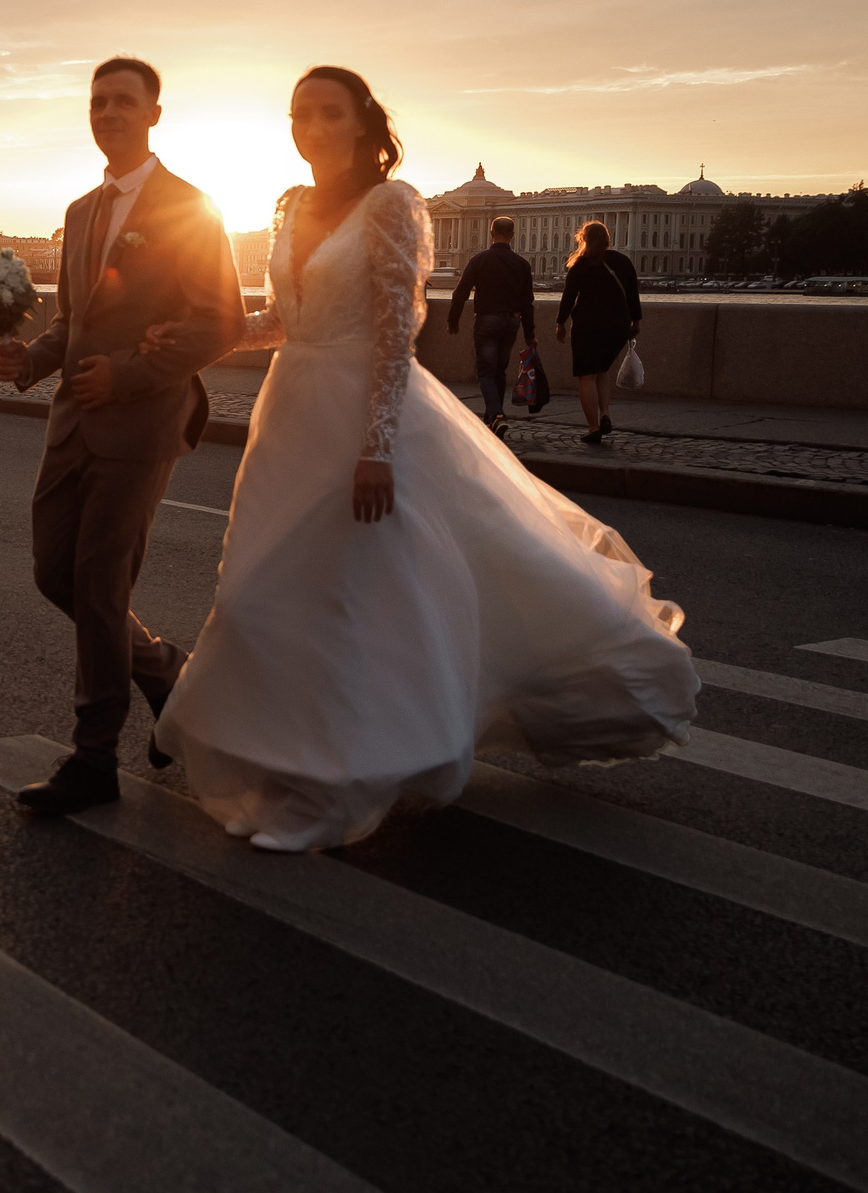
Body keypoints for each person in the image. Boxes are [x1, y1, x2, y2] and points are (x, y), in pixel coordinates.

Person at [150, 65, 696, 852]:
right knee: (264, 593)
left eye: (327, 112)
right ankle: (295, 756)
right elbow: (284, 316)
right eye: (299, 113)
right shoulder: (291, 206)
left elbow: (394, 331)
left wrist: (376, 447)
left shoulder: (392, 205)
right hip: (291, 415)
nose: (309, 125)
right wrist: (210, 337)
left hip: (358, 418)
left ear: (363, 124)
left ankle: (342, 765)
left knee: (347, 594)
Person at [0, 56, 247, 816]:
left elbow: (221, 320)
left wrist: (130, 372)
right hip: (73, 420)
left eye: (123, 102)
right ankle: (166, 672)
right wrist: (30, 358)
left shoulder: (191, 207)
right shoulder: (79, 211)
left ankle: (93, 757)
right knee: (52, 572)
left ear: (154, 114)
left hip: (141, 422)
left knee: (100, 586)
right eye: (98, 101)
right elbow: (73, 320)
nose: (108, 112)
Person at [447, 216, 535, 434]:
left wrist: (453, 321)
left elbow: (460, 294)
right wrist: (530, 334)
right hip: (512, 322)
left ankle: (497, 415)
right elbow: (527, 302)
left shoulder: (480, 260)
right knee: (500, 371)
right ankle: (491, 419)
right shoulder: (522, 264)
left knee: (486, 372)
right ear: (512, 236)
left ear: (491, 233)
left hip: (486, 320)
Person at [555, 220, 640, 444]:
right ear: (607, 239)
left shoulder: (581, 264)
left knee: (586, 375)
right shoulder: (622, 261)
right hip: (618, 326)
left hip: (588, 326)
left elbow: (568, 297)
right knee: (602, 369)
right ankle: (605, 414)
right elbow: (632, 293)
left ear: (584, 239)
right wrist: (636, 321)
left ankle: (593, 428)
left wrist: (560, 323)